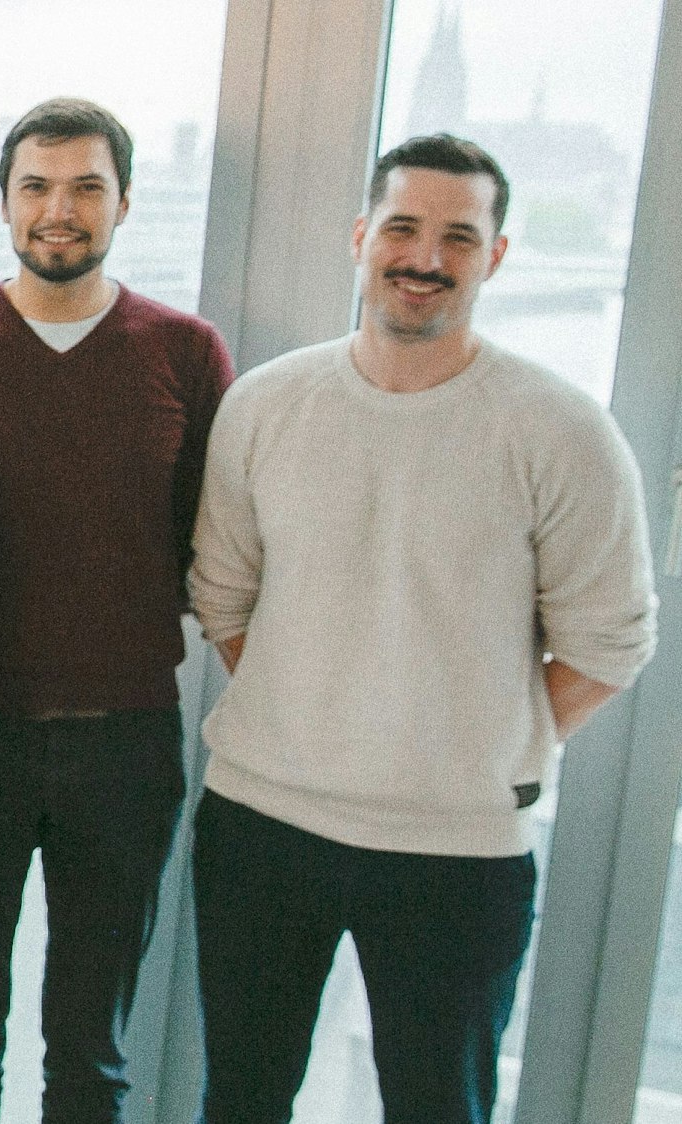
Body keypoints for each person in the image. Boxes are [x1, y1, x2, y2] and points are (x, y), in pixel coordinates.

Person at [188, 134, 657, 1123]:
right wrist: (308, 706)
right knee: (240, 1097)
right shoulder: (265, 405)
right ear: (360, 238)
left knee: (439, 1106)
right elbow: (223, 599)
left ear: (494, 256)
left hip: (460, 849)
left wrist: (470, 741)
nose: (424, 255)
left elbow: (610, 643)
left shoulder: (560, 429)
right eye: (401, 227)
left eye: (457, 234)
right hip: (261, 826)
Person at [0, 97, 235, 1124]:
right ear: (3, 202)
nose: (59, 209)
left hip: (123, 745)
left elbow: (218, 543)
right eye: (36, 185)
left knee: (91, 1050)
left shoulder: (183, 352)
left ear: (125, 201)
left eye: (85, 186)